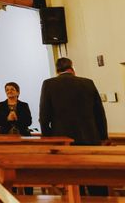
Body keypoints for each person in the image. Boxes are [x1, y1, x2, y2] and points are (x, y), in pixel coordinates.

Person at [40, 57, 108, 196]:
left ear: (57, 70)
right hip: (90, 138)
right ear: (72, 69)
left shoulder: (49, 84)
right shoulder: (88, 83)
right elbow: (99, 113)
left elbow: (44, 116)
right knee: (95, 177)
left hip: (63, 140)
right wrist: (103, 136)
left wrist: (48, 139)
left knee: (72, 180)